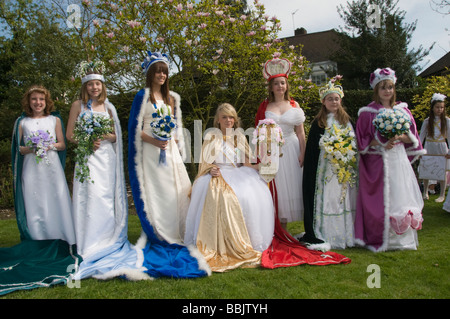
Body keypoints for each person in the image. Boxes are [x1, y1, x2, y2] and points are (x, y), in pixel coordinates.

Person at [128, 51, 210, 278]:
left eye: (164, 71)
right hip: (151, 153)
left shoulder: (171, 99)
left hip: (170, 151)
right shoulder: (142, 97)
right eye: (158, 72)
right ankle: (161, 231)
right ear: (150, 75)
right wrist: (155, 140)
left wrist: (172, 142)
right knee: (160, 192)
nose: (162, 75)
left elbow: (173, 127)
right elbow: (135, 130)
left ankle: (180, 229)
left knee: (177, 191)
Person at [66, 61, 146, 280]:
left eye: (98, 84)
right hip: (87, 157)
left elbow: (115, 135)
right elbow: (70, 135)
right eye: (90, 84)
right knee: (89, 195)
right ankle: (89, 240)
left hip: (106, 158)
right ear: (85, 87)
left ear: (102, 86)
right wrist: (86, 140)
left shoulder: (108, 107)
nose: (94, 88)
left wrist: (101, 136)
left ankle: (107, 237)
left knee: (104, 196)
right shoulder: (77, 106)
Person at [1, 85, 79, 296]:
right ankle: (38, 241)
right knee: (35, 203)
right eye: (34, 99)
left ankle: (62, 236)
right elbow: (19, 148)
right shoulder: (22, 122)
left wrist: (47, 145)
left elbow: (62, 144)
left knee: (55, 200)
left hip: (51, 168)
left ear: (47, 102)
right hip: (31, 169)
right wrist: (33, 147)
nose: (38, 103)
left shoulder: (54, 120)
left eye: (41, 100)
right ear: (29, 101)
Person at [184, 103, 275, 272]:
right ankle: (218, 242)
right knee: (221, 195)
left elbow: (246, 163)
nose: (228, 120)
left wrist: (262, 166)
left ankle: (247, 240)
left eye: (231, 117)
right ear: (218, 120)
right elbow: (205, 162)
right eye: (224, 117)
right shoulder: (211, 137)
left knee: (251, 194)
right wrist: (210, 169)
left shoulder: (239, 137)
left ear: (235, 119)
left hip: (238, 172)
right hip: (218, 173)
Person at [355, 68, 425, 252]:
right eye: (383, 87)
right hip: (380, 161)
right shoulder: (367, 113)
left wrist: (399, 137)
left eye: (390, 87)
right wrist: (381, 143)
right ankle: (383, 236)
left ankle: (402, 239)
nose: (387, 91)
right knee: (385, 196)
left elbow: (413, 137)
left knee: (401, 194)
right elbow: (362, 141)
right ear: (376, 90)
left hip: (398, 159)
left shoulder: (402, 110)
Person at [300, 81, 356, 250]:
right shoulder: (319, 123)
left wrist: (346, 152)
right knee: (328, 199)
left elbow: (353, 142)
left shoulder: (346, 121)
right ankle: (325, 232)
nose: (333, 102)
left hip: (342, 169)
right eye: (330, 99)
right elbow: (312, 150)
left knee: (342, 200)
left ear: (340, 101)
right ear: (323, 102)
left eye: (336, 99)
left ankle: (344, 234)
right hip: (324, 171)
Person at [255, 57, 306, 226]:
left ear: (287, 85)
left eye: (283, 83)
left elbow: (300, 132)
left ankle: (303, 230)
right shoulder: (264, 106)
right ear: (271, 87)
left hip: (293, 149)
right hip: (273, 151)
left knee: (294, 186)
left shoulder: (294, 104)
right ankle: (280, 230)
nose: (280, 86)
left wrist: (303, 153)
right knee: (278, 189)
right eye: (276, 83)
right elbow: (259, 131)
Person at [419, 93, 449, 202]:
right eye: (437, 107)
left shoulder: (447, 121)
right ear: (432, 108)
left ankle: (442, 194)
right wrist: (419, 150)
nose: (439, 109)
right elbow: (421, 136)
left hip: (441, 147)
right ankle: (425, 191)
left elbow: (449, 137)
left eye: (442, 107)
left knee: (442, 170)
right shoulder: (427, 121)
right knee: (427, 168)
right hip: (429, 146)